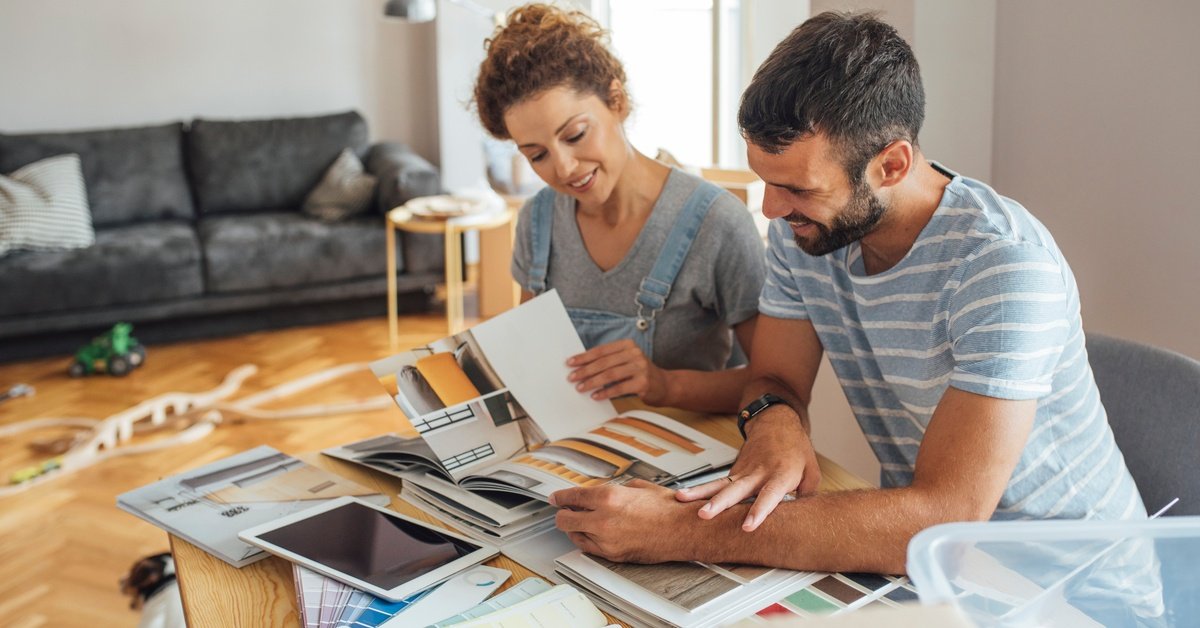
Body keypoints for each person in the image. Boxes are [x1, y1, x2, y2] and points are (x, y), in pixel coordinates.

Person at [549, 11, 1154, 586]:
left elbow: (945, 522)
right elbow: (774, 376)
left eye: (796, 188)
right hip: (934, 567)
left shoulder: (1003, 269)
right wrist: (775, 422)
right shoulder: (804, 230)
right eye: (764, 180)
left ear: (890, 164)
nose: (770, 209)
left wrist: (683, 530)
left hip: (1070, 587)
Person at [472, 4, 765, 414]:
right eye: (537, 155)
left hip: (686, 464)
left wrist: (664, 385)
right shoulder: (538, 223)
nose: (564, 169)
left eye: (575, 134)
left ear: (617, 101)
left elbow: (774, 386)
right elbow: (535, 365)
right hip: (574, 457)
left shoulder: (717, 225)